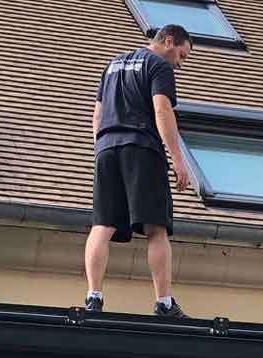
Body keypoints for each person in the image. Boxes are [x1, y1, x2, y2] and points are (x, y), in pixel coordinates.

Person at [84, 25, 194, 319]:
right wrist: (178, 159)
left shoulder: (112, 65)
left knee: (103, 224)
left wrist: (100, 149)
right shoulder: (158, 66)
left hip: (106, 148)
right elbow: (162, 111)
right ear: (168, 41)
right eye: (181, 55)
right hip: (142, 149)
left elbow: (97, 114)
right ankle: (165, 304)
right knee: (156, 228)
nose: (180, 64)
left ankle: (93, 297)